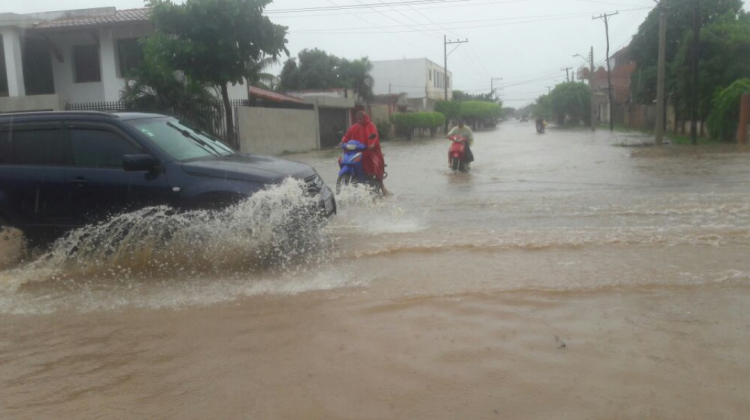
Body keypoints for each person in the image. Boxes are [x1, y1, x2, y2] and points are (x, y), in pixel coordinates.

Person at [341, 111, 389, 196]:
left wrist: (372, 144)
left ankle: (382, 187)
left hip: (371, 151)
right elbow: (347, 136)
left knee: (376, 167)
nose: (359, 120)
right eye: (358, 119)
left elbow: (374, 136)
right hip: (358, 151)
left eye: (361, 119)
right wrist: (343, 141)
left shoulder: (371, 125)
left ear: (365, 118)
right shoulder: (354, 127)